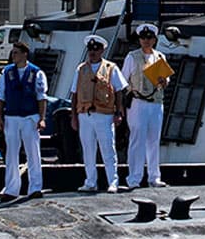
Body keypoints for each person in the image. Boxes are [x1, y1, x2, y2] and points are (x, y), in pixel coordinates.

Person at [69, 34, 125, 193]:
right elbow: (74, 94)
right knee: (88, 150)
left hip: (104, 114)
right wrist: (74, 116)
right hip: (85, 115)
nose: (92, 52)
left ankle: (112, 181)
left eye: (96, 49)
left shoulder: (111, 68)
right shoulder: (81, 69)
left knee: (108, 149)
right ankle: (90, 181)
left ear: (102, 50)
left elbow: (119, 91)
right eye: (90, 49)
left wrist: (118, 112)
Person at [121, 24, 172, 189]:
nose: (146, 41)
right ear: (139, 39)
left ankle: (154, 177)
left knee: (154, 140)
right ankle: (134, 178)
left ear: (154, 39)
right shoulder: (132, 57)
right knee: (137, 140)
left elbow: (166, 80)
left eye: (149, 38)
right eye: (143, 38)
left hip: (156, 103)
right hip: (138, 102)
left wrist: (164, 80)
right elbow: (123, 80)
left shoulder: (160, 57)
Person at [0, 41, 48, 200]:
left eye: (16, 53)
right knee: (11, 154)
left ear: (24, 54)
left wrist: (42, 118)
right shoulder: (6, 73)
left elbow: (41, 98)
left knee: (33, 153)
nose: (13, 56)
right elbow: (0, 97)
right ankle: (11, 189)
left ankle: (35, 187)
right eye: (13, 53)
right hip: (11, 117)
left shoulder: (36, 73)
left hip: (29, 117)